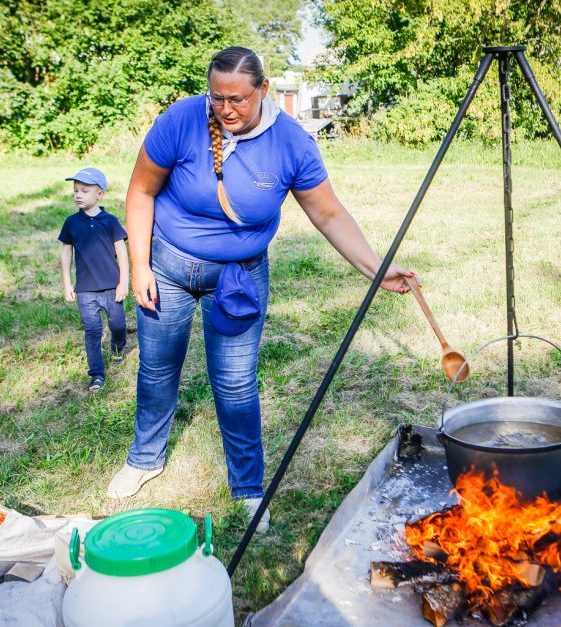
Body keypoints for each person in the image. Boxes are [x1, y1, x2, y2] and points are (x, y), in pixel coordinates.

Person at [105, 47, 415, 531]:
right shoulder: (181, 119)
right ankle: (145, 459)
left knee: (234, 382)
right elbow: (141, 190)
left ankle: (248, 487)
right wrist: (140, 266)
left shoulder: (291, 143)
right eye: (217, 98)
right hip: (166, 267)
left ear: (264, 91)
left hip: (238, 279)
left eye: (238, 99)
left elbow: (328, 213)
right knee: (158, 367)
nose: (226, 109)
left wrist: (376, 269)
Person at [58, 168, 129, 393]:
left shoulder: (110, 222)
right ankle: (96, 374)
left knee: (118, 326)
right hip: (86, 290)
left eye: (85, 191)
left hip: (111, 287)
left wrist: (124, 282)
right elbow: (66, 253)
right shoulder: (71, 223)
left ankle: (117, 349)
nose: (78, 195)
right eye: (76, 190)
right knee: (92, 331)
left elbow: (123, 252)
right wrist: (68, 283)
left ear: (100, 194)